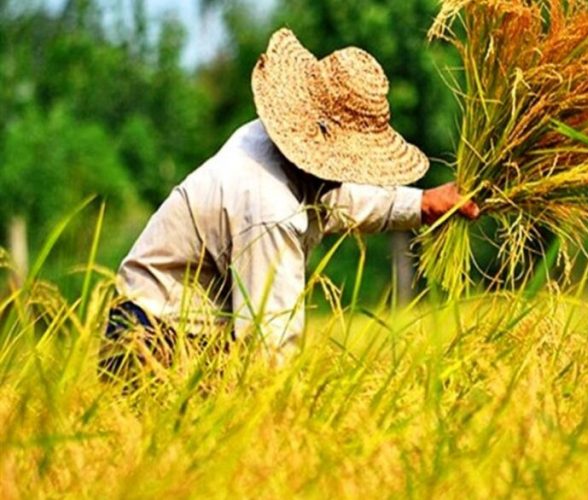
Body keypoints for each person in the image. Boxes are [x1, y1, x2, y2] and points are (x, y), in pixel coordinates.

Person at [99, 29, 479, 378]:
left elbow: (338, 200)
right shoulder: (269, 209)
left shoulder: (267, 142)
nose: (349, 173)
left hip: (182, 331)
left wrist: (422, 203)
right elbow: (269, 350)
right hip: (150, 341)